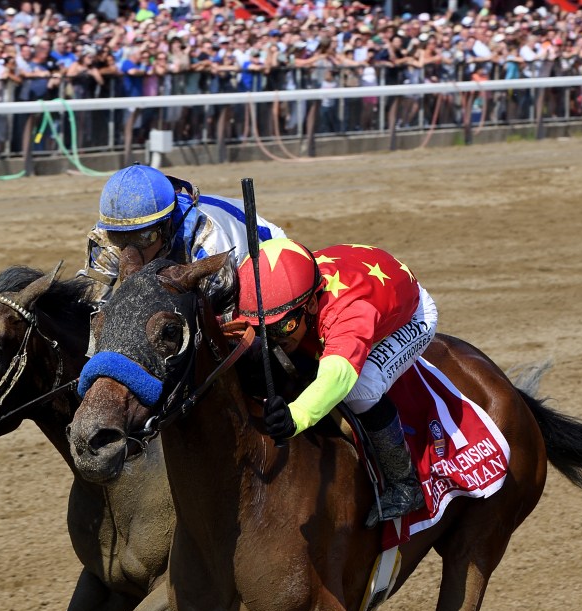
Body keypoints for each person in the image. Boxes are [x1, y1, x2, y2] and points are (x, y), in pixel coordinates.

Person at [235, 237, 439, 526]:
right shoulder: (276, 299)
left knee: (361, 389)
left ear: (312, 306)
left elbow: (338, 375)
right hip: (358, 277)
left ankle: (405, 485)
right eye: (262, 328)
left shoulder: (349, 315)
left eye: (285, 326)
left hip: (411, 317)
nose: (274, 337)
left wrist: (295, 417)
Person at [83, 163, 287, 316]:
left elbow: (220, 317)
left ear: (167, 226)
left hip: (258, 253)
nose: (128, 254)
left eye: (144, 237)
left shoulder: (208, 240)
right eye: (119, 238)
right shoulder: (107, 236)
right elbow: (90, 307)